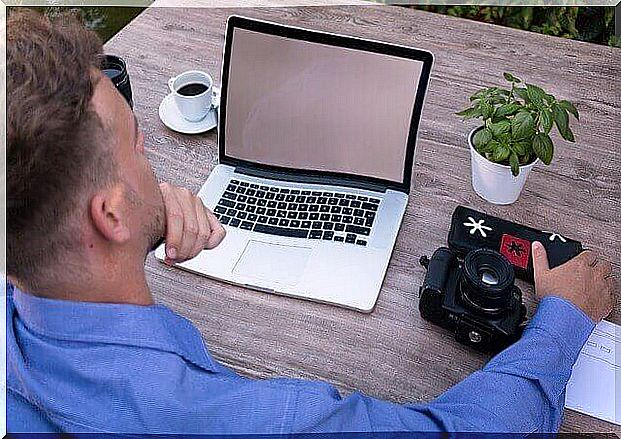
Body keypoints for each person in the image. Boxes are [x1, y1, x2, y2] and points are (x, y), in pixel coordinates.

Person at [6, 10, 615, 434]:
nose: (153, 165)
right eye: (139, 147)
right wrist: (565, 320)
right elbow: (468, 431)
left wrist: (146, 218)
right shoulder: (269, 419)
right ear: (108, 214)